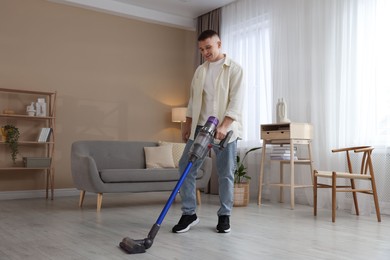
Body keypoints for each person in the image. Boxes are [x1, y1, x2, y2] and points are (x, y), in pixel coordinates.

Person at [172, 30, 244, 234]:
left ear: (219, 44)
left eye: (208, 47)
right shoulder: (200, 71)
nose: (205, 52)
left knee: (225, 173)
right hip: (201, 127)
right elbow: (193, 100)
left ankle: (224, 216)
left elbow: (236, 102)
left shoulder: (235, 69)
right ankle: (189, 213)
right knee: (186, 167)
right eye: (202, 49)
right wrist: (187, 124)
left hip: (226, 129)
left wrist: (224, 125)